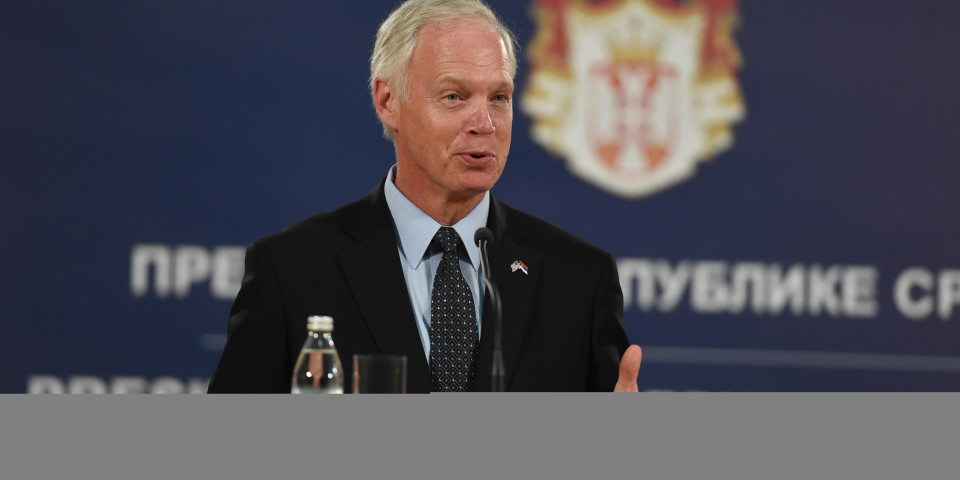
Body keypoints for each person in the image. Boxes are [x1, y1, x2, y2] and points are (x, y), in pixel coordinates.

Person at [207, 0, 642, 393]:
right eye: (454, 96)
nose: (485, 123)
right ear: (388, 102)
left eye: (499, 97)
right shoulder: (291, 272)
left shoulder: (579, 280)